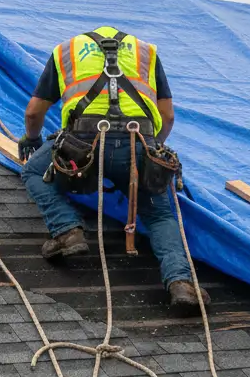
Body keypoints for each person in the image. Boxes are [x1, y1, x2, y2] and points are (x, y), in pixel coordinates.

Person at [18, 26, 209, 310]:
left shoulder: (66, 51)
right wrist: (148, 152)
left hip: (82, 145)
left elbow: (34, 112)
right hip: (139, 140)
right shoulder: (147, 52)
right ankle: (181, 284)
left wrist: (31, 139)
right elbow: (167, 116)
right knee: (158, 214)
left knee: (34, 172)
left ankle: (67, 230)